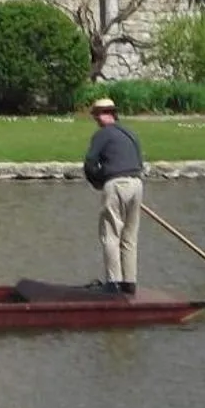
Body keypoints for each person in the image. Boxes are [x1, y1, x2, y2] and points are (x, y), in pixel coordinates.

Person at [83, 96, 145, 296]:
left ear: (107, 114)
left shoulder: (103, 135)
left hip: (116, 184)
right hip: (136, 184)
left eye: (98, 114)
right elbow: (138, 162)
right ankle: (129, 282)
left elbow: (90, 163)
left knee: (110, 234)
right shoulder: (130, 133)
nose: (97, 119)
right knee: (129, 236)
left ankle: (113, 283)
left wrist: (97, 182)